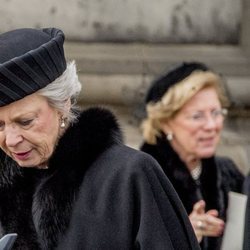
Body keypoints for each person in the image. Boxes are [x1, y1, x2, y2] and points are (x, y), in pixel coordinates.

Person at [0, 28, 200, 249]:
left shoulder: (130, 176)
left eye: (25, 121)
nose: (10, 140)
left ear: (63, 104)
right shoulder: (5, 191)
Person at [140, 62, 244, 250]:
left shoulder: (228, 174)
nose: (212, 125)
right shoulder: (141, 179)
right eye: (197, 116)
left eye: (216, 113)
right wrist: (184, 236)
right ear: (165, 122)